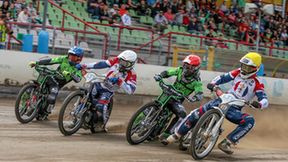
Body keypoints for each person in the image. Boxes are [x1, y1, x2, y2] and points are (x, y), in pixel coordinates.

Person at [162, 52, 269, 155]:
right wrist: (213, 83)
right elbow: (222, 78)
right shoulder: (237, 72)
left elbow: (264, 99)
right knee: (196, 113)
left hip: (235, 108)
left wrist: (259, 104)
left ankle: (228, 142)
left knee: (250, 121)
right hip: (222, 99)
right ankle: (176, 135)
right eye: (243, 66)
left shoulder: (258, 83)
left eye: (248, 68)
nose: (244, 70)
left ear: (256, 69)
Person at [80, 50, 138, 131]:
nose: (121, 64)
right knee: (85, 93)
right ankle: (76, 116)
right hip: (99, 82)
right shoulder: (115, 60)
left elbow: (131, 90)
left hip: (108, 91)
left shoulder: (132, 74)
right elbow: (101, 64)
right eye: (121, 61)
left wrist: (120, 81)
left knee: (100, 106)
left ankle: (101, 125)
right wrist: (84, 65)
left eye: (125, 63)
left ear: (132, 64)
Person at [153, 54, 203, 141]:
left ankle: (167, 134)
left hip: (177, 101)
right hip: (167, 94)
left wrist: (195, 98)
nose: (186, 68)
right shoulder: (179, 70)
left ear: (195, 68)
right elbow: (168, 72)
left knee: (182, 115)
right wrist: (160, 75)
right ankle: (137, 121)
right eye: (185, 65)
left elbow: (200, 93)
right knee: (153, 104)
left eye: (189, 67)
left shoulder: (197, 81)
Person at [28, 46, 85, 118]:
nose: (70, 57)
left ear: (79, 58)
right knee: (34, 84)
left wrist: (70, 74)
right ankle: (28, 100)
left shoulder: (79, 68)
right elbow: (51, 61)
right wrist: (37, 62)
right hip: (52, 77)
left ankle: (45, 112)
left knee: (52, 97)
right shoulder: (64, 58)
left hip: (58, 83)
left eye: (73, 56)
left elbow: (78, 79)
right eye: (70, 55)